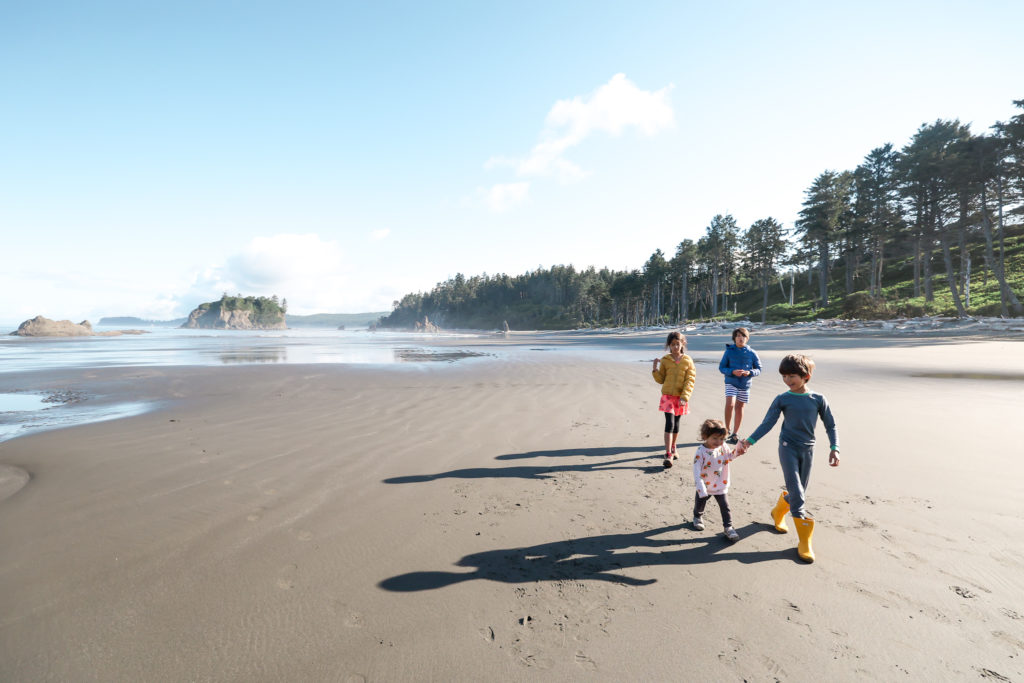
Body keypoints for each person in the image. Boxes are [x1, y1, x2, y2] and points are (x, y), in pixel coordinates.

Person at [736, 353, 840, 563]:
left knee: (798, 490)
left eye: (792, 375)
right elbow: (768, 423)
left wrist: (834, 447)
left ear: (806, 376)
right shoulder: (782, 399)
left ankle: (778, 511)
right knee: (799, 497)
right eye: (784, 376)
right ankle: (804, 543)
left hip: (808, 449)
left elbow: (831, 424)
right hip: (787, 448)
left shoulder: (818, 399)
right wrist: (749, 441)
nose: (787, 380)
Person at [651, 331, 696, 469]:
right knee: (669, 423)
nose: (675, 347)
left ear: (683, 344)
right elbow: (661, 380)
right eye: (672, 345)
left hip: (680, 398)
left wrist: (684, 397)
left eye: (678, 344)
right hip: (667, 397)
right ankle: (668, 453)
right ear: (669, 345)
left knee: (676, 424)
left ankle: (673, 446)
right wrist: (655, 369)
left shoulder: (688, 360)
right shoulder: (665, 360)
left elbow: (690, 380)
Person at [692, 419, 741, 542]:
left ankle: (728, 527)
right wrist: (701, 488)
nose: (718, 442)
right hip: (705, 485)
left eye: (722, 439)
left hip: (720, 484)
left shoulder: (723, 446)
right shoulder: (701, 452)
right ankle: (697, 516)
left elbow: (730, 456)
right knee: (700, 503)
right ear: (705, 436)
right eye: (715, 438)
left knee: (725, 507)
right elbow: (696, 472)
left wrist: (739, 450)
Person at [718, 327, 762, 445]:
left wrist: (750, 373)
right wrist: (732, 371)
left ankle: (735, 433)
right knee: (730, 404)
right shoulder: (729, 351)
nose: (740, 338)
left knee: (739, 407)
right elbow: (722, 367)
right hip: (731, 381)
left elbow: (759, 369)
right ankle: (726, 430)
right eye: (738, 336)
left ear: (747, 338)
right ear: (734, 338)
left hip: (745, 384)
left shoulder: (752, 352)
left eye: (743, 336)